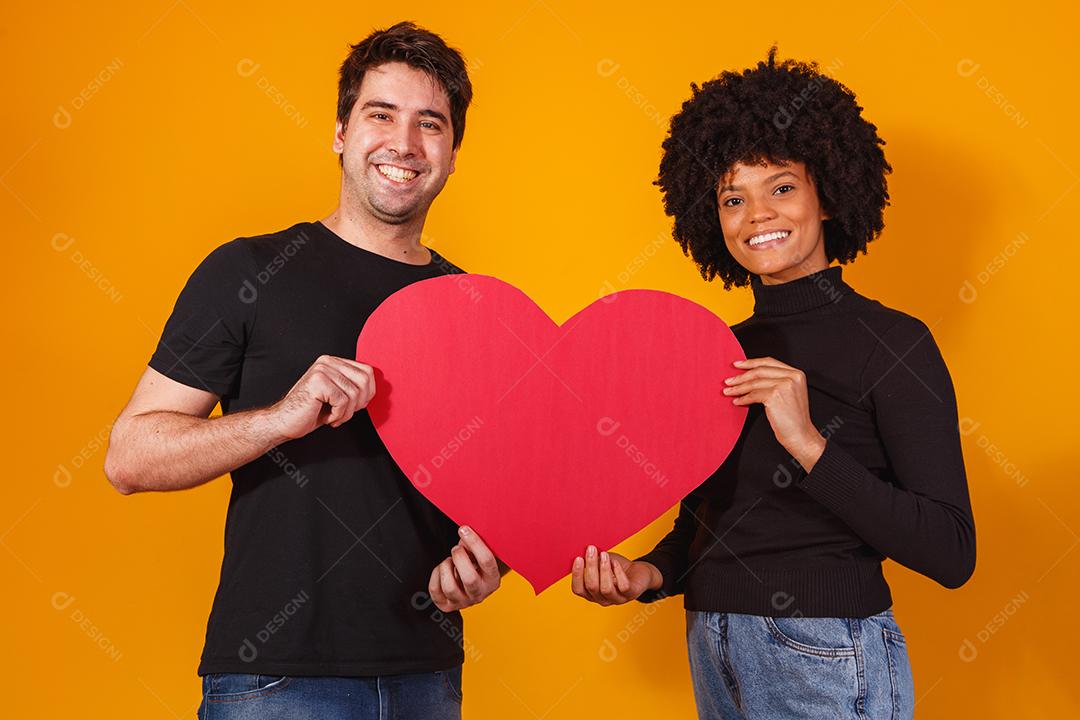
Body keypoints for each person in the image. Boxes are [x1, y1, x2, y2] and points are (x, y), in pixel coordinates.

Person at [104, 21, 504, 720]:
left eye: (430, 124)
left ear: (453, 152)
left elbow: (490, 484)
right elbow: (129, 458)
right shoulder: (248, 271)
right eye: (381, 114)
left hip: (428, 676)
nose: (404, 144)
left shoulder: (471, 305)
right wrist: (279, 420)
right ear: (341, 133)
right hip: (275, 681)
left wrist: (489, 559)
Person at [571, 48, 975, 719]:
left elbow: (950, 550)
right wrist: (646, 576)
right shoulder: (715, 351)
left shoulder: (894, 344)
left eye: (781, 187)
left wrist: (809, 443)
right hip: (714, 644)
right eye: (734, 198)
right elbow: (710, 525)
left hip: (827, 652)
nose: (757, 215)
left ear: (829, 192)